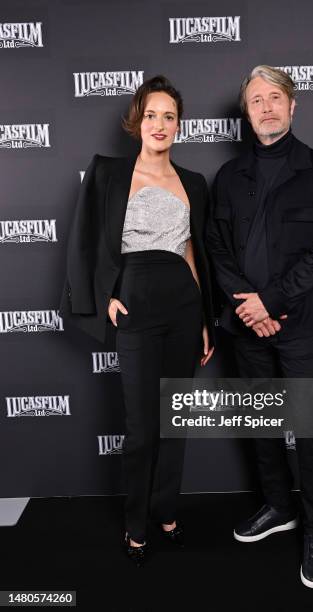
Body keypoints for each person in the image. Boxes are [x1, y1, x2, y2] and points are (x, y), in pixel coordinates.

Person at [60, 75, 215, 566]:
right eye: (152, 114)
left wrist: (207, 318)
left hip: (184, 307)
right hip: (136, 305)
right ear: (137, 121)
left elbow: (194, 249)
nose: (160, 124)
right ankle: (135, 524)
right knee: (142, 426)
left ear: (178, 126)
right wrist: (105, 296)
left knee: (174, 423)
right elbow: (83, 241)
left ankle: (167, 512)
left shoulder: (194, 183)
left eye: (170, 116)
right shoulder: (107, 174)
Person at [206, 65, 313, 588]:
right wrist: (248, 306)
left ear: (293, 105)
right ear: (246, 111)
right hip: (246, 325)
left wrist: (270, 301)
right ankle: (278, 507)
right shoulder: (229, 177)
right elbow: (217, 247)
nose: (266, 107)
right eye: (256, 99)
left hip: (300, 322)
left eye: (275, 98)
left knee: (307, 429)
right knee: (262, 425)